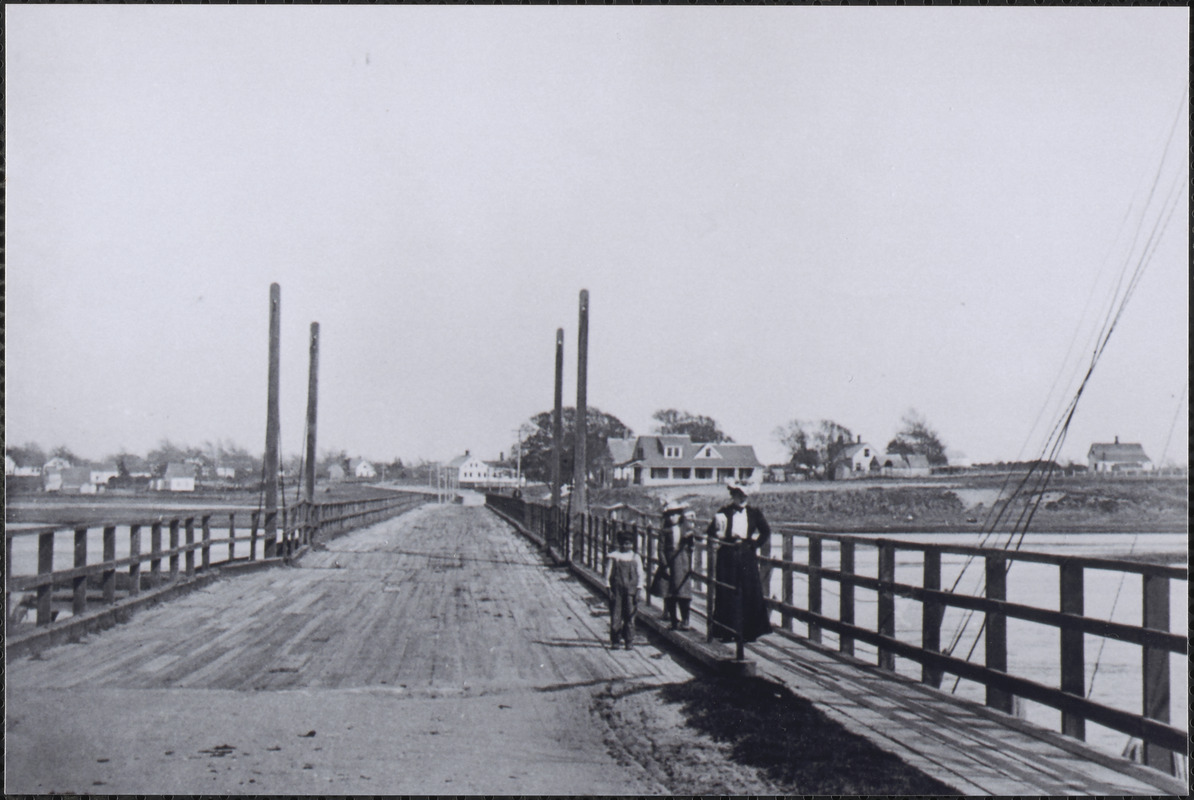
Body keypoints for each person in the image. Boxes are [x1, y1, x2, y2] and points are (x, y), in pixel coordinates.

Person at [708, 479, 773, 643]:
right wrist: (719, 536)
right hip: (728, 555)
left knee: (749, 591)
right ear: (733, 495)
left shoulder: (754, 513)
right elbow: (711, 532)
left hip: (746, 556)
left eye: (745, 495)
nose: (742, 498)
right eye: (739, 495)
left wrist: (753, 545)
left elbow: (766, 531)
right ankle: (728, 631)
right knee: (728, 591)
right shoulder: (724, 512)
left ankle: (750, 632)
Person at [651, 498, 695, 630]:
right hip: (670, 562)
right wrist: (665, 565)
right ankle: (673, 620)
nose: (672, 517)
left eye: (675, 514)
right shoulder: (665, 531)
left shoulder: (685, 527)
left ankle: (685, 620)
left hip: (682, 562)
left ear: (680, 514)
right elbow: (660, 549)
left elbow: (691, 545)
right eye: (670, 515)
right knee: (669, 593)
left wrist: (690, 540)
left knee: (683, 593)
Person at [603, 530, 642, 650]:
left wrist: (639, 589)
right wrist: (608, 588)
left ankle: (629, 640)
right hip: (617, 589)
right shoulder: (614, 556)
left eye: (629, 544)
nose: (627, 546)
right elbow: (607, 574)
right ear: (620, 544)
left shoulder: (635, 557)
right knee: (616, 614)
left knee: (630, 615)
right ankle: (615, 640)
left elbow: (640, 574)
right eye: (624, 543)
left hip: (631, 590)